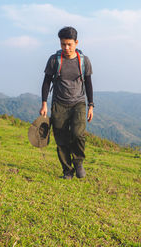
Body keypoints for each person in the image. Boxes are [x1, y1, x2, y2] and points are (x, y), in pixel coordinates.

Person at [39, 26, 94, 179]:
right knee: (61, 139)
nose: (66, 48)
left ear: (76, 43)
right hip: (59, 104)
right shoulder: (54, 60)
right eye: (63, 44)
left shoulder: (84, 61)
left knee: (78, 134)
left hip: (78, 103)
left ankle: (78, 162)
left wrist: (91, 105)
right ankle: (67, 171)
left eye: (69, 44)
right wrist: (44, 103)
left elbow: (88, 83)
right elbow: (46, 82)